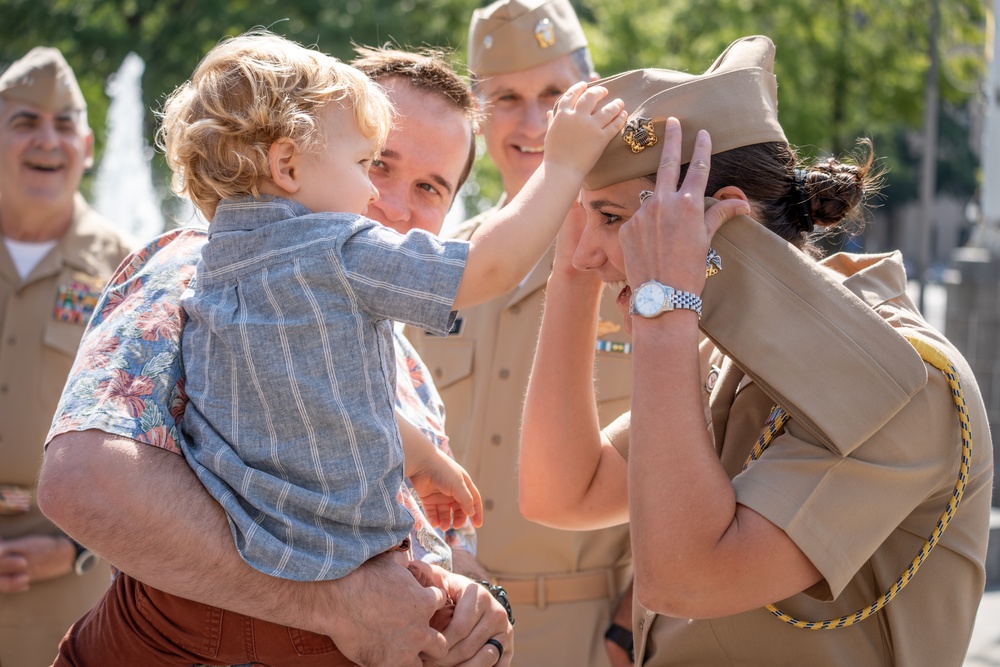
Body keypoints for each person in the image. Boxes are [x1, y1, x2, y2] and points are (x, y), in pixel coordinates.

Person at [43, 31, 625, 666]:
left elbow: (413, 543)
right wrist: (332, 606)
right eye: (376, 162)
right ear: (290, 157)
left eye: (431, 188)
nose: (390, 203)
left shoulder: (405, 360)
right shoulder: (194, 269)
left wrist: (475, 600)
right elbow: (82, 481)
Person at [519, 35, 994, 666]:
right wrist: (573, 279)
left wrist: (665, 312)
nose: (588, 248)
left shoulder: (904, 377)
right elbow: (563, 493)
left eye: (610, 218)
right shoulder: (732, 359)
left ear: (725, 217)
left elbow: (688, 578)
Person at [405, 1, 635, 664]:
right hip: (444, 624)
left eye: (555, 95)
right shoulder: (439, 269)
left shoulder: (637, 257)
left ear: (594, 99)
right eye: (506, 97)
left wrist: (632, 626)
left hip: (591, 632)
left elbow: (696, 446)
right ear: (476, 109)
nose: (534, 123)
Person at [0, 46, 135, 666]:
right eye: (24, 121)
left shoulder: (130, 271)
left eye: (62, 125)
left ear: (85, 144)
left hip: (76, 594)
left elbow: (165, 436)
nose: (46, 141)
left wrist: (76, 545)